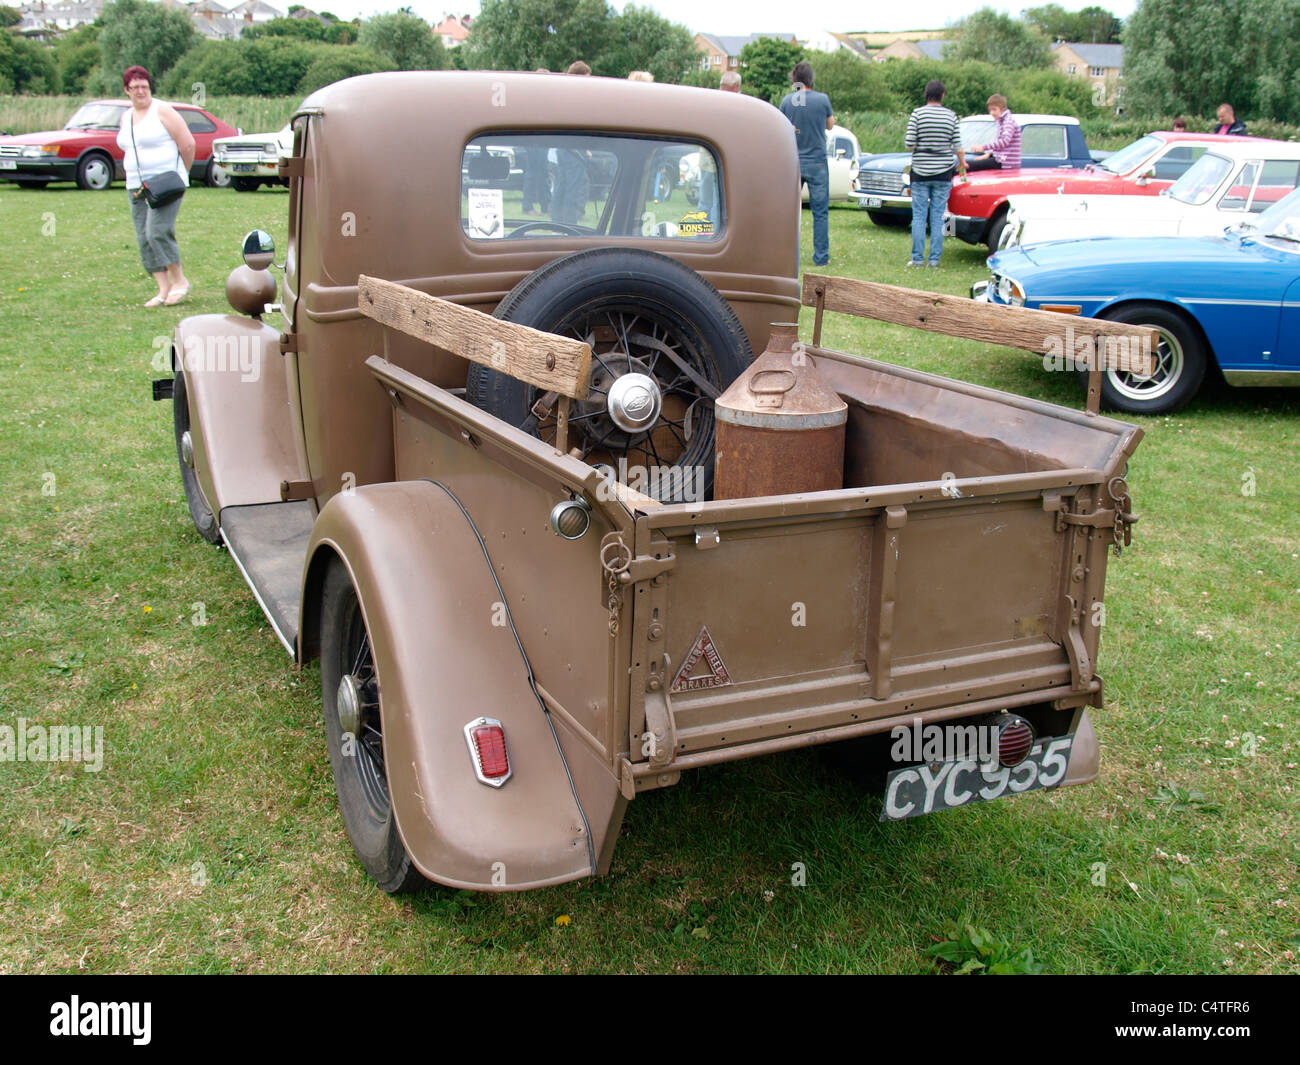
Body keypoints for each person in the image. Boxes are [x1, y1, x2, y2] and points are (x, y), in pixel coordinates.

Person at [116, 65, 195, 306]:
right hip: (136, 185)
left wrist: (180, 174)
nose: (141, 91)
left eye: (145, 86)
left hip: (165, 184)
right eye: (135, 87)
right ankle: (163, 288)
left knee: (157, 231)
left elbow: (188, 144)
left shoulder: (163, 111)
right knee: (143, 237)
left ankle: (180, 280)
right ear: (126, 91)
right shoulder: (126, 116)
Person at [904, 79, 965, 268]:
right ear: (943, 95)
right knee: (938, 216)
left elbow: (909, 144)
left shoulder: (917, 114)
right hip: (943, 173)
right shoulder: (951, 116)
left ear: (926, 95)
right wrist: (962, 164)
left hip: (920, 173)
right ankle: (934, 260)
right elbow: (958, 146)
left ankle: (917, 259)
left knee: (919, 216)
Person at [779, 61, 834, 267]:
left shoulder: (788, 101)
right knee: (820, 213)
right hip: (817, 162)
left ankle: (785, 254)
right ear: (812, 78)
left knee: (789, 211)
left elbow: (782, 127)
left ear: (795, 80)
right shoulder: (822, 100)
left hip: (794, 161)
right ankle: (821, 257)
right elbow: (830, 125)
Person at [966, 93, 1020, 172]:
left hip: (1005, 163)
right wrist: (988, 154)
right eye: (990, 110)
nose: (991, 113)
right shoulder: (1002, 121)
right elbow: (999, 145)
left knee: (966, 165)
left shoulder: (1008, 121)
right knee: (972, 163)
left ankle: (961, 183)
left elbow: (1004, 141)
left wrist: (983, 147)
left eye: (994, 109)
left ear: (1002, 109)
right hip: (1001, 160)